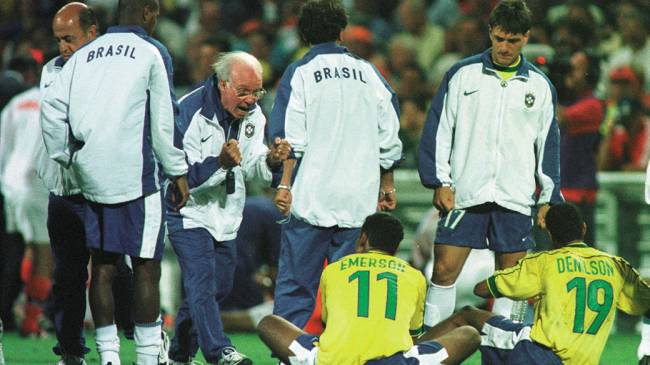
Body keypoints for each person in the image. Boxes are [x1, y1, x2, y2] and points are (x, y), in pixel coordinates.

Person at [40, 0, 190, 364]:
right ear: (149, 13)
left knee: (103, 269)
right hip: (135, 177)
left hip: (89, 176)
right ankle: (147, 356)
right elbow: (163, 118)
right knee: (145, 266)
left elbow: (51, 107)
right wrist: (177, 170)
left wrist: (65, 155)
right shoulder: (151, 50)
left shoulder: (85, 57)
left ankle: (108, 357)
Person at [417, 0, 562, 327]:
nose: (504, 47)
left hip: (515, 194)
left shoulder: (540, 86)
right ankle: (429, 347)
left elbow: (548, 145)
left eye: (512, 40)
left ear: (526, 38)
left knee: (511, 280)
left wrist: (548, 198)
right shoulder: (461, 74)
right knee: (443, 270)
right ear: (490, 34)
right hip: (467, 193)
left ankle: (505, 349)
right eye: (499, 39)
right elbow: (438, 128)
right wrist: (440, 181)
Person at [269, 0, 403, 330]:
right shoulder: (370, 73)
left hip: (312, 196)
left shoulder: (299, 72)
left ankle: (291, 357)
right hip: (358, 198)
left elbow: (288, 137)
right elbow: (389, 134)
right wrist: (387, 183)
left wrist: (284, 184)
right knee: (350, 290)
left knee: (297, 289)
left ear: (303, 34)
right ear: (342, 31)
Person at [166, 51, 290, 365]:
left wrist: (272, 161)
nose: (251, 100)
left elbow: (252, 168)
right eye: (244, 91)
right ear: (223, 84)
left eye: (257, 91)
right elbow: (182, 178)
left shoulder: (254, 115)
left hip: (227, 215)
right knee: (204, 285)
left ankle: (178, 356)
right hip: (189, 212)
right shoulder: (190, 111)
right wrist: (219, 164)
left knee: (215, 288)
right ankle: (219, 352)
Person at [425, 203, 650, 364]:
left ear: (551, 234)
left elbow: (482, 289)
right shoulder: (617, 267)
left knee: (467, 315)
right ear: (583, 228)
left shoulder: (545, 263)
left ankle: (409, 356)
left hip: (538, 354)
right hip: (581, 360)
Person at [258, 212, 481, 365]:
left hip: (334, 360)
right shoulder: (414, 276)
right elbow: (413, 337)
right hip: (394, 362)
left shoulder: (335, 269)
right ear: (395, 247)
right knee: (469, 335)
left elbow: (329, 324)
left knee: (268, 324)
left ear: (363, 238)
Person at [34, 3, 98, 364]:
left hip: (101, 190)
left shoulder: (108, 71)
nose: (63, 47)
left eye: (69, 38)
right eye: (59, 39)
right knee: (68, 278)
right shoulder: (52, 70)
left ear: (92, 32)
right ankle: (71, 353)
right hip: (63, 189)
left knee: (116, 272)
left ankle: (146, 342)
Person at [557, 51, 604, 246]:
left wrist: (549, 87)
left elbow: (561, 118)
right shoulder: (571, 102)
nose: (570, 74)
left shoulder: (593, 104)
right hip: (564, 189)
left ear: (590, 74)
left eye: (576, 69)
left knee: (581, 254)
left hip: (579, 192)